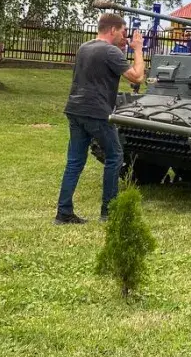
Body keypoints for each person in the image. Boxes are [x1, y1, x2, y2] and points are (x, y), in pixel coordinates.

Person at [56, 13, 144, 224]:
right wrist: (138, 49)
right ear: (112, 29)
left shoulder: (84, 47)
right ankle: (108, 211)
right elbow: (138, 76)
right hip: (97, 112)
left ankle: (63, 212)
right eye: (123, 32)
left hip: (75, 108)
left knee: (74, 162)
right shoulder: (110, 51)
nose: (125, 37)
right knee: (115, 156)